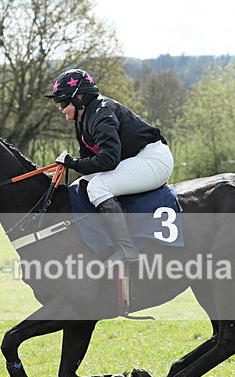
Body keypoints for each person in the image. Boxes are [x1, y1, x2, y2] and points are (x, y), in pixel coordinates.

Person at [45, 68, 174, 263]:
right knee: (80, 185)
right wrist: (71, 164)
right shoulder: (83, 120)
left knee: (98, 187)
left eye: (63, 102)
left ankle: (127, 249)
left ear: (79, 98)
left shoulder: (101, 113)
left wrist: (73, 163)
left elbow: (108, 160)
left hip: (154, 160)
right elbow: (89, 161)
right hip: (136, 159)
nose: (60, 108)